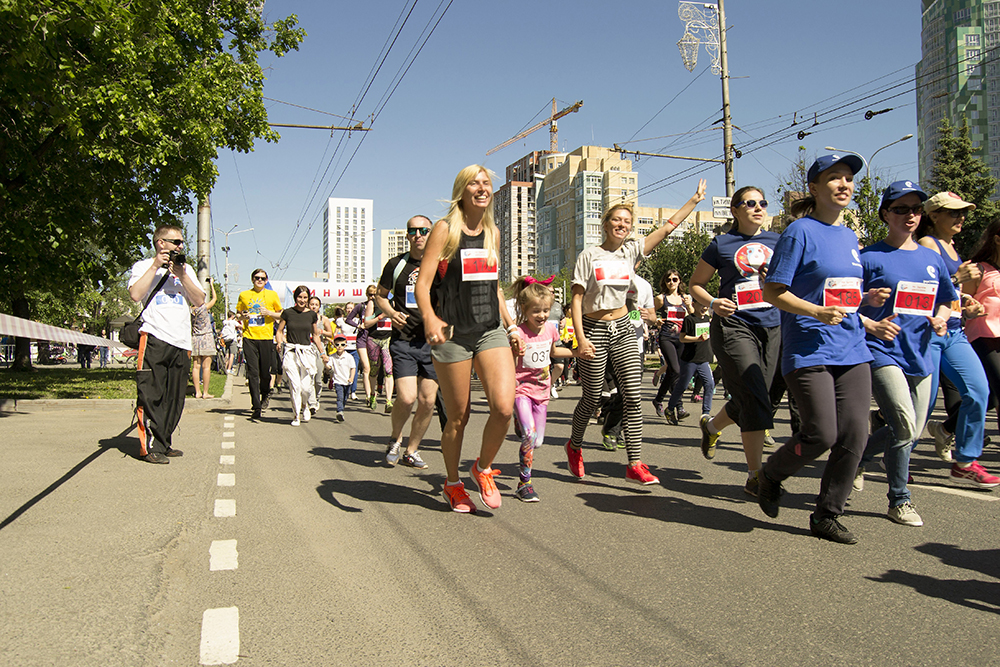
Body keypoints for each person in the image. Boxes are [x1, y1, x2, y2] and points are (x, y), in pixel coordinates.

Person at [758, 154, 876, 544]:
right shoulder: (799, 232)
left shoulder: (849, 236)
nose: (844, 184)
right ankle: (771, 475)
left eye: (848, 178)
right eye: (833, 178)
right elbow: (773, 290)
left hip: (853, 347)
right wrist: (815, 310)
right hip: (810, 347)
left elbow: (844, 294)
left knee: (856, 433)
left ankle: (827, 514)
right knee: (821, 433)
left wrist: (867, 308)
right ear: (814, 188)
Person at [568, 179, 707, 485]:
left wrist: (694, 201)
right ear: (605, 225)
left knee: (632, 395)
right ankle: (574, 446)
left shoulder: (631, 252)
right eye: (616, 220)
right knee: (591, 397)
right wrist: (581, 338)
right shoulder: (588, 255)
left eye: (627, 221)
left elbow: (667, 228)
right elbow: (576, 299)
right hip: (593, 328)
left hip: (622, 329)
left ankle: (635, 462)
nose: (622, 224)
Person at [414, 165, 522, 513]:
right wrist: (430, 317)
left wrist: (511, 325)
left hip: (489, 329)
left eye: (486, 183)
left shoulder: (493, 231)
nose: (481, 187)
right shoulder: (445, 229)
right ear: (462, 190)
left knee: (504, 408)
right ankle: (452, 483)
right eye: (474, 183)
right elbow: (423, 284)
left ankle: (482, 467)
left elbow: (495, 288)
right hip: (453, 334)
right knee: (459, 415)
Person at [855, 181, 957, 527]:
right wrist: (870, 319)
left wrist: (941, 319)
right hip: (882, 350)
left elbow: (947, 298)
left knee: (911, 431)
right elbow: (842, 304)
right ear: (886, 214)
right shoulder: (868, 257)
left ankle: (861, 456)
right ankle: (899, 500)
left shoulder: (931, 258)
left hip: (922, 353)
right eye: (900, 209)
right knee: (903, 423)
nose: (910, 215)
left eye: (915, 209)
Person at [688, 185, 782, 495]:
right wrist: (714, 302)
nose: (758, 207)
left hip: (774, 326)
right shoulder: (722, 244)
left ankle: (712, 426)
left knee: (758, 397)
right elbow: (696, 285)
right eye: (750, 203)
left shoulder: (779, 242)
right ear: (735, 210)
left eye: (763, 203)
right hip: (735, 326)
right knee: (755, 397)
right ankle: (756, 476)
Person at [915, 192, 993, 476]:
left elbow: (950, 293)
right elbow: (924, 287)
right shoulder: (927, 243)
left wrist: (968, 304)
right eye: (953, 212)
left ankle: (965, 460)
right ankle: (895, 457)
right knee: (923, 401)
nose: (960, 217)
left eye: (963, 213)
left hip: (955, 331)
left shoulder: (951, 246)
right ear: (934, 216)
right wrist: (958, 278)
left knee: (979, 392)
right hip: (930, 332)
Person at [127, 224, 205, 464]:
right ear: (161, 243)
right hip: (154, 338)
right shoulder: (143, 266)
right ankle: (150, 447)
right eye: (175, 242)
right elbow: (135, 295)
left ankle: (164, 441)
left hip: (181, 341)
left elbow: (200, 299)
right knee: (152, 394)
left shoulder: (186, 269)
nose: (180, 246)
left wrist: (181, 275)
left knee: (175, 397)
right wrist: (154, 266)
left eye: (181, 243)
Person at [376, 215, 440, 470]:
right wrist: (391, 313)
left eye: (424, 230)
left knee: (427, 401)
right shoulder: (396, 264)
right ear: (407, 235)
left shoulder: (440, 263)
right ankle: (395, 438)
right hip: (403, 341)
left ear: (431, 233)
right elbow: (381, 296)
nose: (418, 235)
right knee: (406, 397)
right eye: (413, 231)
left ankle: (412, 450)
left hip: (432, 343)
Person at [510, 275, 577, 501]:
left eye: (546, 311)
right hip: (521, 390)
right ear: (524, 310)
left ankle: (519, 420)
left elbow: (554, 353)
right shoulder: (517, 333)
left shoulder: (550, 329)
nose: (542, 316)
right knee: (529, 435)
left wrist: (577, 353)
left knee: (537, 442)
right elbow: (509, 361)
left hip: (542, 392)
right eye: (536, 311)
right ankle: (524, 483)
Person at [956, 218, 1000, 487]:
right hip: (983, 336)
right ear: (997, 238)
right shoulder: (979, 270)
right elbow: (960, 303)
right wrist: (968, 307)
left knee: (990, 397)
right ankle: (964, 459)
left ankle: (947, 427)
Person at [275, 285, 329, 426]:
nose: (302, 300)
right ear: (295, 297)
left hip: (306, 353)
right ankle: (296, 415)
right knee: (295, 385)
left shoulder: (311, 315)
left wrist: (323, 354)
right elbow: (279, 331)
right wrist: (280, 342)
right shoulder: (287, 313)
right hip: (291, 352)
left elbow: (315, 336)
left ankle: (305, 406)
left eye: (305, 297)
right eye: (300, 297)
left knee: (305, 387)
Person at [237, 269, 282, 420]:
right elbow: (238, 314)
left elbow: (281, 314)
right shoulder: (244, 295)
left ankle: (265, 394)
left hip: (266, 338)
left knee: (265, 374)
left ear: (266, 280)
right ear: (252, 279)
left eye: (262, 278)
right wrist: (243, 316)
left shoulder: (272, 295)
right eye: (257, 278)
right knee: (253, 373)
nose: (259, 280)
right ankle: (256, 406)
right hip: (249, 337)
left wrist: (269, 312)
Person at [651, 269, 693, 421]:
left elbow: (693, 315)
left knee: (674, 372)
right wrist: (656, 321)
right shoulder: (661, 298)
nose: (671, 282)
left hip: (681, 338)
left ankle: (659, 400)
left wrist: (689, 306)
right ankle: (679, 406)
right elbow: (651, 313)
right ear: (665, 282)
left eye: (675, 279)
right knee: (675, 369)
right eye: (668, 280)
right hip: (667, 337)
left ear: (679, 281)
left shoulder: (685, 298)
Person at [667, 300, 714, 426]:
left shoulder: (708, 319)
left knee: (710, 384)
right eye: (702, 305)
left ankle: (706, 414)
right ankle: (670, 409)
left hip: (703, 359)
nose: (704, 308)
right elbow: (682, 338)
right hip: (690, 360)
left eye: (706, 306)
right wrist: (698, 338)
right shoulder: (690, 319)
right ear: (694, 305)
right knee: (682, 386)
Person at [191, 278, 218, 398]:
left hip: (195, 339)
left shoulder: (190, 310)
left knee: (196, 366)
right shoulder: (204, 308)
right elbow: (215, 299)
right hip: (206, 338)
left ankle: (197, 392)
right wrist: (212, 285)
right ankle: (205, 392)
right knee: (206, 366)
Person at [308, 296, 334, 414]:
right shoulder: (305, 317)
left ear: (319, 306)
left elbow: (330, 333)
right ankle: (311, 402)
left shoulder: (324, 319)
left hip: (319, 348)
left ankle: (316, 398)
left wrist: (322, 331)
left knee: (318, 377)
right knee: (309, 376)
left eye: (316, 304)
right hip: (307, 347)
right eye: (311, 304)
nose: (313, 306)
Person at [334, 303, 360, 399]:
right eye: (348, 308)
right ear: (345, 310)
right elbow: (336, 333)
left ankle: (353, 391)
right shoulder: (340, 321)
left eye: (351, 308)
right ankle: (343, 389)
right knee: (342, 370)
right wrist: (336, 342)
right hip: (343, 349)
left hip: (354, 349)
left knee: (354, 370)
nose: (349, 310)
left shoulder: (357, 320)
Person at [329, 333, 356, 421]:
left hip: (347, 381)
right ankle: (339, 411)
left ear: (346, 345)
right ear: (334, 345)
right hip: (337, 381)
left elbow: (353, 368)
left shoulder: (349, 357)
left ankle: (342, 410)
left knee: (345, 397)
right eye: (337, 344)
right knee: (340, 397)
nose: (339, 347)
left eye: (342, 345)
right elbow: (329, 366)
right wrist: (325, 363)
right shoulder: (332, 357)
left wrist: (351, 377)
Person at [220, 311, 242, 375]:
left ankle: (225, 367)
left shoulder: (225, 322)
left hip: (226, 339)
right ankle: (229, 369)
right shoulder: (234, 322)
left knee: (227, 354)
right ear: (232, 316)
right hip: (232, 339)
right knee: (232, 355)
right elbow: (241, 326)